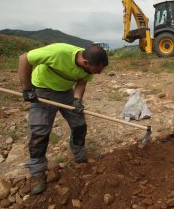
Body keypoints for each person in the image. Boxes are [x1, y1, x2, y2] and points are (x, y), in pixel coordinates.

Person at [18, 43, 108, 194]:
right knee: (40, 132)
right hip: (42, 90)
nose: (98, 74)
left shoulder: (89, 66)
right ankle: (37, 171)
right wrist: (27, 89)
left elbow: (81, 82)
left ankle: (80, 156)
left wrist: (77, 100)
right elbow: (24, 59)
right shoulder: (58, 52)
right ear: (86, 63)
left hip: (66, 92)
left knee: (79, 124)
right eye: (97, 70)